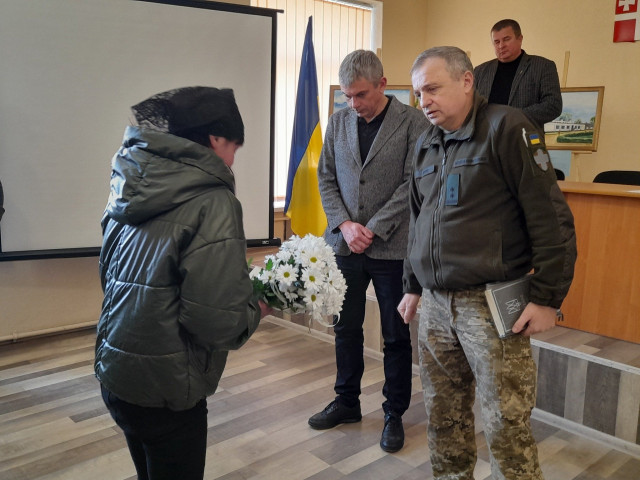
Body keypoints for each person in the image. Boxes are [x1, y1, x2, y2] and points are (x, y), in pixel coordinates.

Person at [399, 47, 576, 479]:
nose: (424, 101)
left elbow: (551, 219)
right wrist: (412, 285)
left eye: (433, 88)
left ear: (466, 81)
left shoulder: (508, 128)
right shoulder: (426, 143)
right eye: (419, 93)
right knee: (444, 417)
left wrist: (547, 297)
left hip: (489, 304)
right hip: (436, 305)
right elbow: (418, 222)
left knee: (505, 423)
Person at [95, 86, 269, 480]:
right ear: (215, 140)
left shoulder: (130, 179)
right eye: (235, 148)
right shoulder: (214, 201)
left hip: (117, 372)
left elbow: (109, 274)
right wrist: (257, 308)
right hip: (168, 390)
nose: (233, 161)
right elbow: (217, 321)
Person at [313, 49, 429, 453]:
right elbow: (326, 178)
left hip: (392, 248)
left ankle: (394, 413)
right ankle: (346, 402)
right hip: (345, 245)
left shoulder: (413, 122)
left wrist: (374, 228)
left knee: (395, 335)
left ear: (382, 84)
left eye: (360, 94)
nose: (353, 104)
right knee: (345, 329)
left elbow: (414, 183)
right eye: (347, 96)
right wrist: (345, 225)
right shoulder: (338, 121)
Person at [474, 19, 562, 131]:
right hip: (485, 138)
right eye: (496, 42)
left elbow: (553, 105)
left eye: (506, 39)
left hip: (523, 138)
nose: (501, 46)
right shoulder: (480, 71)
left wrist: (512, 117)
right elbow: (470, 108)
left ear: (520, 39)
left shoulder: (543, 66)